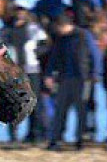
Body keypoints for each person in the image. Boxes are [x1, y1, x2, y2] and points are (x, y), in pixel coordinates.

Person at [44, 14, 102, 150]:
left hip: (83, 78)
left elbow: (96, 55)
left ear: (65, 26)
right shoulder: (60, 39)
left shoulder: (84, 35)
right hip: (64, 79)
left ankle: (80, 140)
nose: (57, 31)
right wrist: (48, 75)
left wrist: (96, 73)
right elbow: (54, 57)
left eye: (59, 28)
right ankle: (55, 140)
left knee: (82, 110)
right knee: (60, 110)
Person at [0, 1, 49, 142]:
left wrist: (36, 52)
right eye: (17, 9)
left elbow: (45, 45)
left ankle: (34, 133)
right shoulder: (5, 30)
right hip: (12, 72)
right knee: (12, 102)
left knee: (33, 102)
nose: (20, 12)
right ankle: (13, 134)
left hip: (32, 70)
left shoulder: (34, 29)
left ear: (26, 12)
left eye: (22, 9)